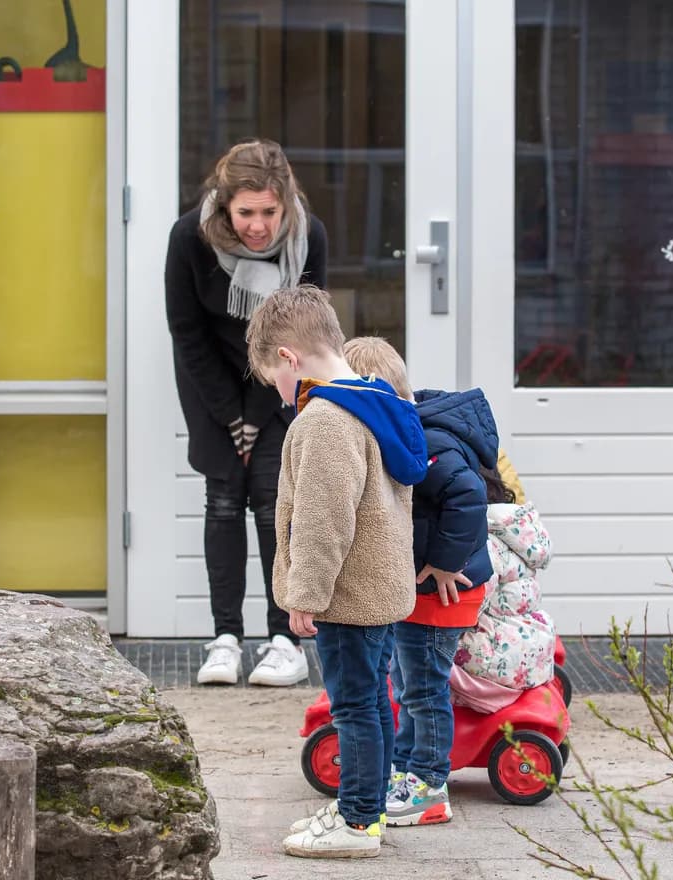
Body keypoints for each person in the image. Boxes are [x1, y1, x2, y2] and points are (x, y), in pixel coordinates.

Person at [247, 287, 428, 858]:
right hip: (377, 587)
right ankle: (364, 809)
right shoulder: (376, 398)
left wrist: (305, 594)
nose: (278, 391)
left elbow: (325, 520)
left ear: (289, 357)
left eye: (272, 376)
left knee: (353, 705)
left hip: (346, 594)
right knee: (372, 698)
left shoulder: (326, 420)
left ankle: (355, 824)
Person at [164, 140, 328, 687]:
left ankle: (286, 639)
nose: (258, 226)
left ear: (286, 203)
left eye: (269, 212)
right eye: (246, 213)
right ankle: (226, 640)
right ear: (224, 206)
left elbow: (300, 336)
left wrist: (259, 411)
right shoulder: (190, 237)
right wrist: (229, 414)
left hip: (280, 380)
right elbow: (187, 332)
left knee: (273, 504)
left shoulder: (309, 241)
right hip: (210, 384)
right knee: (224, 500)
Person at [342, 336, 496, 828]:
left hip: (444, 593)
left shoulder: (427, 441)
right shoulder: (408, 432)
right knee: (406, 683)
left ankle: (429, 785)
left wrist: (449, 562)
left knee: (424, 689)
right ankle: (408, 771)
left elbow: (469, 495)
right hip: (420, 594)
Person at [449, 467, 557, 714]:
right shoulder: (519, 530)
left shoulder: (483, 539)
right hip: (533, 648)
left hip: (496, 659)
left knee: (420, 654)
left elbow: (471, 606)